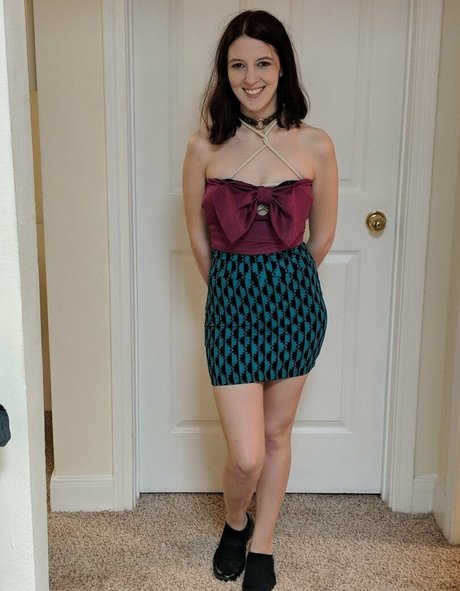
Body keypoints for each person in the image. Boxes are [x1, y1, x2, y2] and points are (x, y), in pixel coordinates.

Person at [182, 9, 338, 591]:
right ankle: (235, 521)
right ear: (225, 73)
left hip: (295, 308)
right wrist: (234, 288)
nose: (251, 78)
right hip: (230, 310)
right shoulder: (203, 146)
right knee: (246, 454)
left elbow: (322, 237)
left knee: (276, 436)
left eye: (263, 63)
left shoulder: (316, 144)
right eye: (238, 65)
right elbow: (198, 238)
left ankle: (263, 545)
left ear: (282, 68)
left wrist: (283, 282)